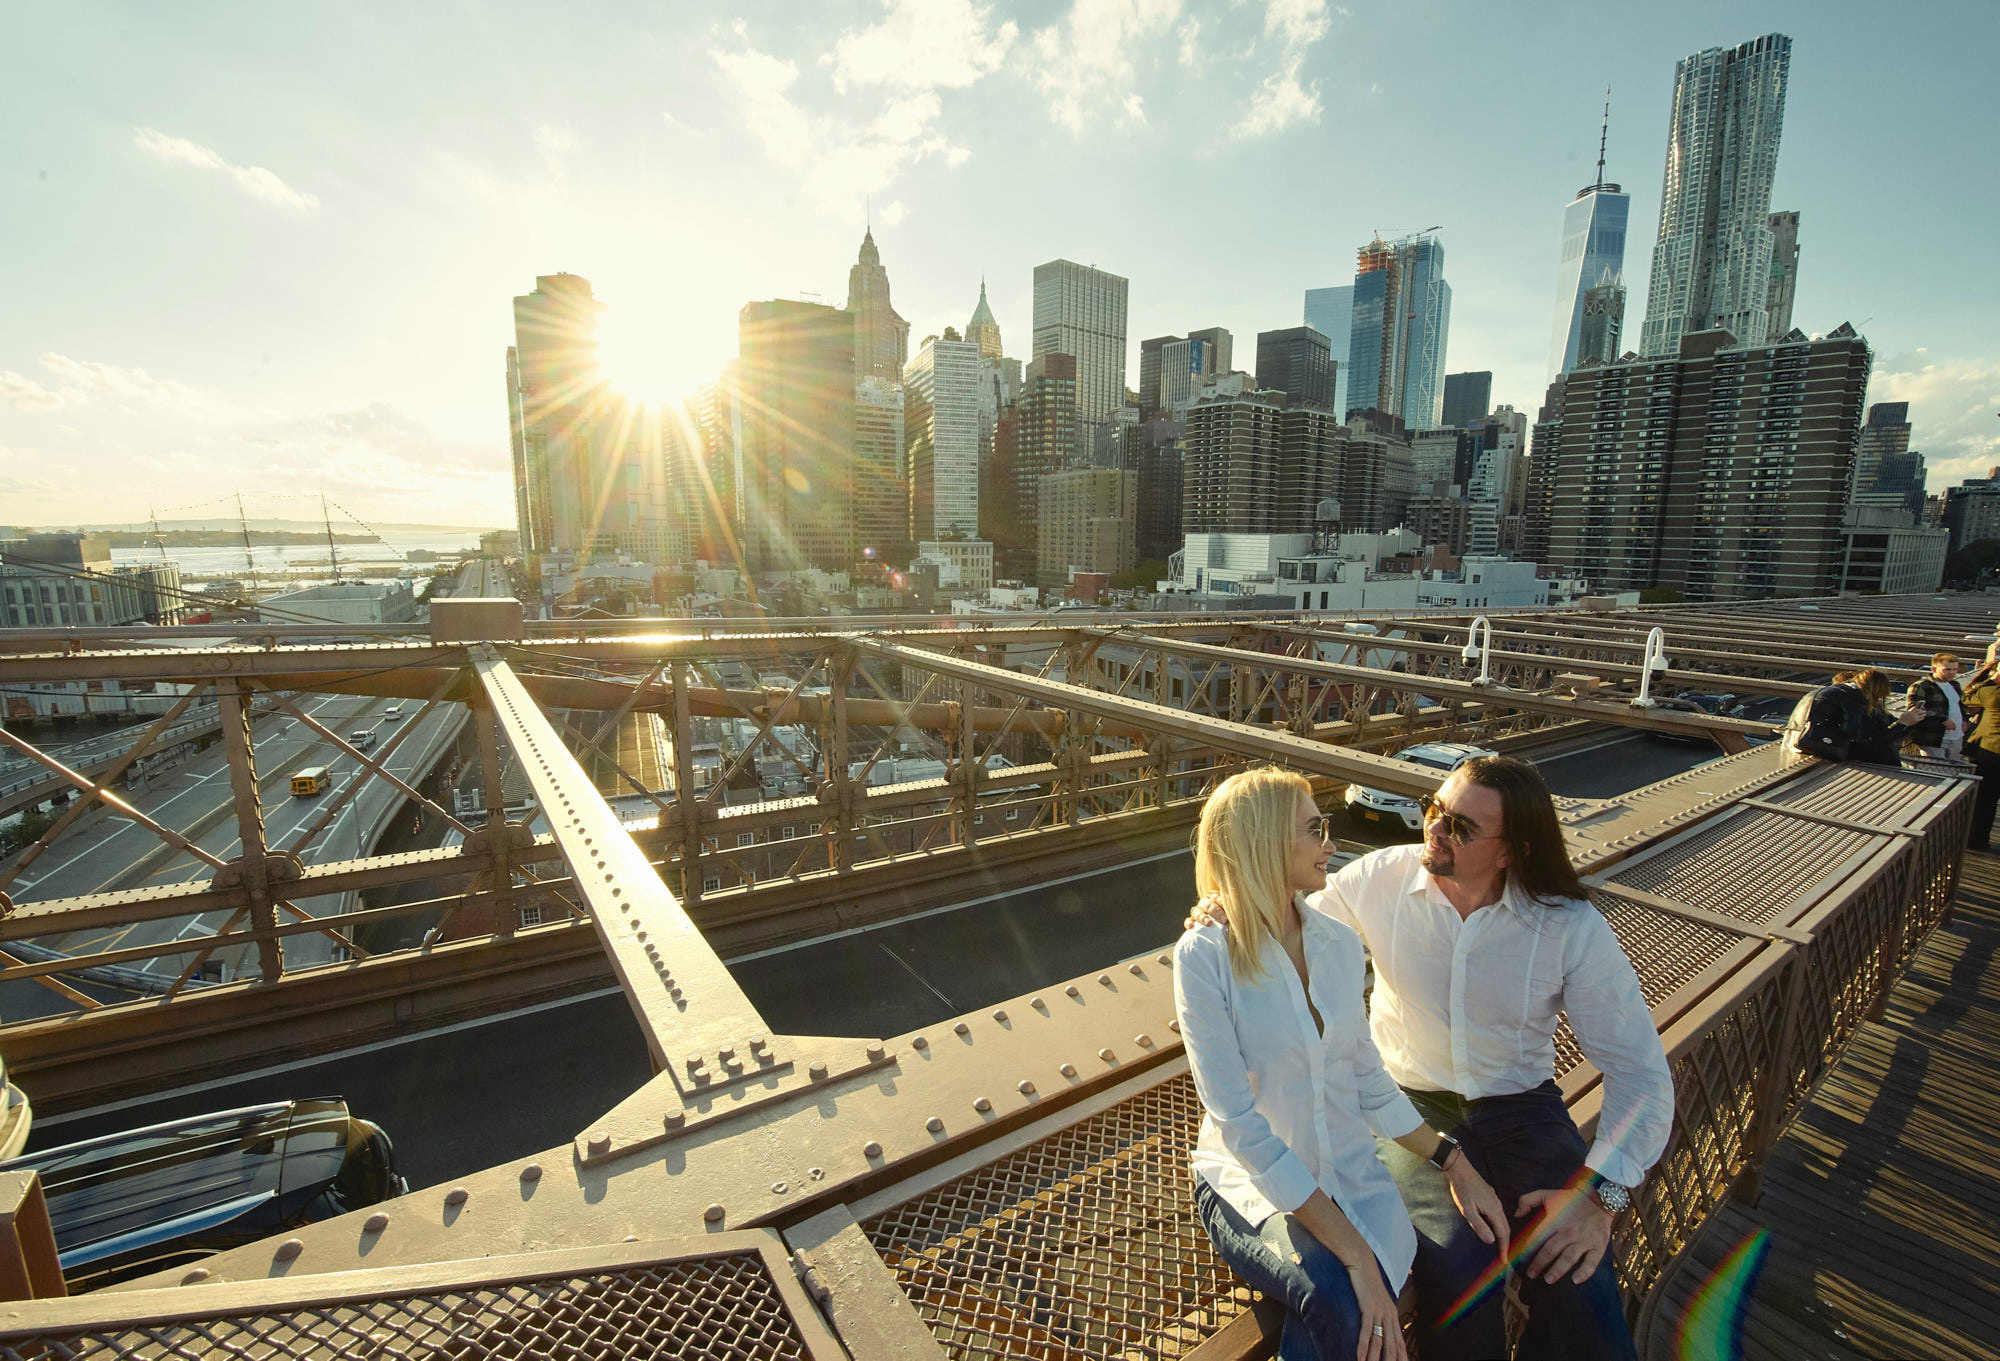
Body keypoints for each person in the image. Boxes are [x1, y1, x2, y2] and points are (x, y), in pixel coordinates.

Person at [1191, 757, 1673, 1360]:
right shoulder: (1381, 880)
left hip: (1521, 1108)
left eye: (1462, 828)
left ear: (1511, 851)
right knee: (1459, 1267)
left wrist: (1598, 1196)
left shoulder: (1568, 926)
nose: (1435, 830)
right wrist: (1219, 905)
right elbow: (1279, 916)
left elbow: (1642, 1076)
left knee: (1576, 1278)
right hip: (1411, 1106)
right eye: (1434, 809)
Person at [1174, 767, 1509, 1361]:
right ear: (1266, 842)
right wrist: (1354, 1251)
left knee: (1362, 1301)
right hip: (1250, 1187)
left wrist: (1450, 1159)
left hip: (1348, 1174)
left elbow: (1367, 1078)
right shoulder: (1205, 956)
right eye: (1315, 829)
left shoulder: (1334, 942)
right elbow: (1241, 1128)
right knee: (1341, 1292)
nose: (1331, 843)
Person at [1956, 642, 2000, 851]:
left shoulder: (1992, 693)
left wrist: (1988, 675)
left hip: (1989, 752)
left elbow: (1966, 696)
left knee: (1985, 799)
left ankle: (1977, 840)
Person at [1906, 653, 1966, 759]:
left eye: (1955, 669)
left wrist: (1965, 719)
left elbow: (1960, 705)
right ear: (1934, 668)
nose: (1952, 673)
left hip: (1956, 737)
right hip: (1932, 738)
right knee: (1936, 769)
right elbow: (1914, 709)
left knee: (1953, 771)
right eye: (1947, 669)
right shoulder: (1921, 686)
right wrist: (1943, 719)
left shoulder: (1955, 685)